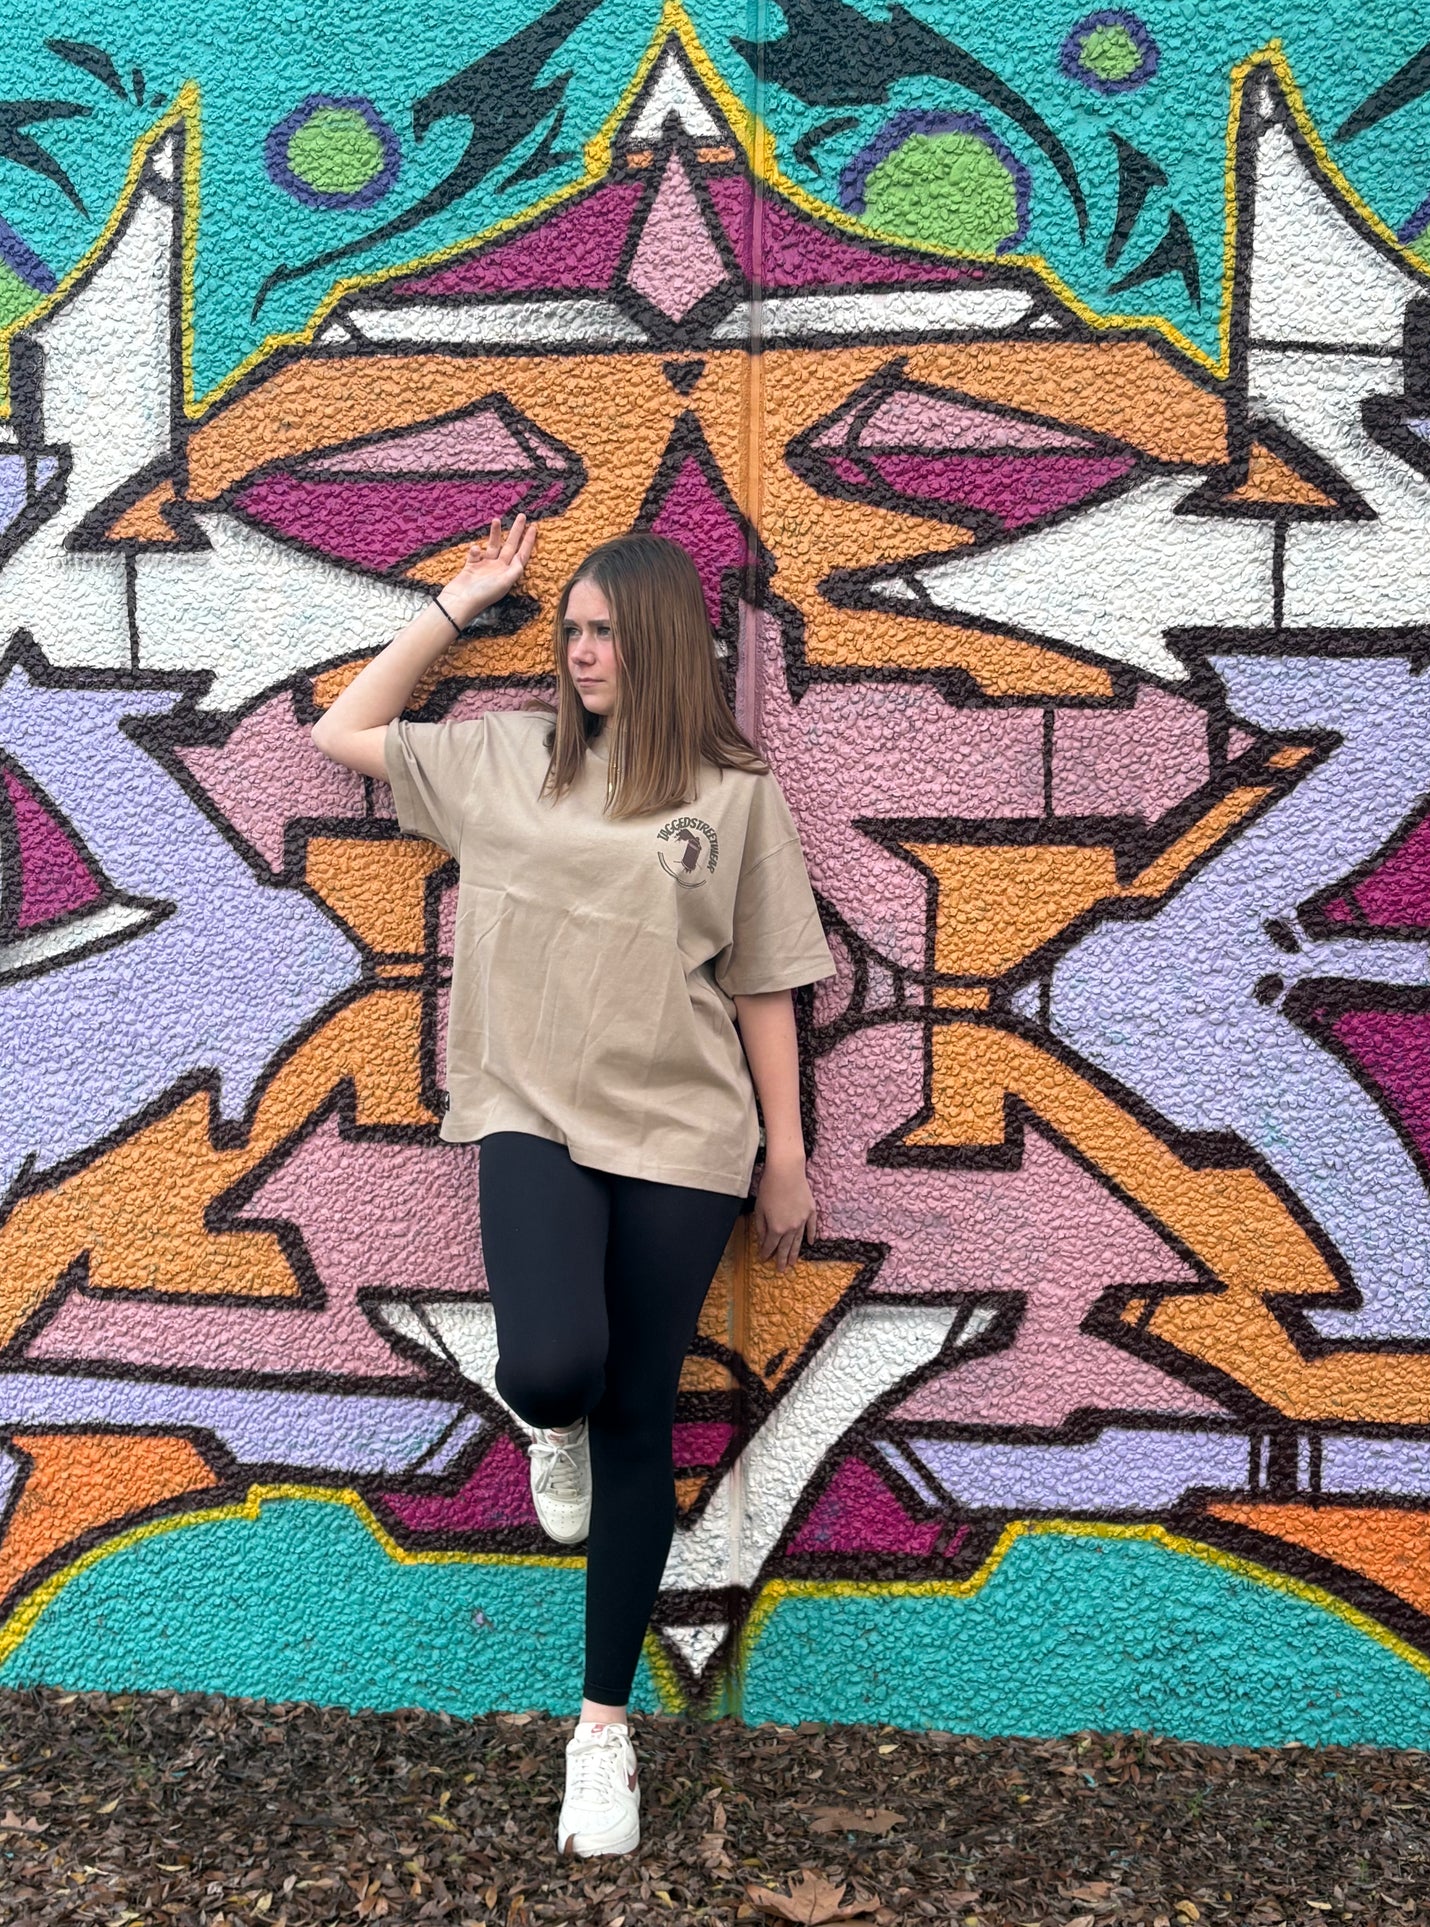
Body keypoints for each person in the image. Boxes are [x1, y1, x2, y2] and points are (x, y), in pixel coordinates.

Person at [311, 514, 835, 1858]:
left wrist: (785, 1156)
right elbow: (342, 729)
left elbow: (764, 982)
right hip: (529, 1116)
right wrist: (459, 600)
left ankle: (601, 1733)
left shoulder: (733, 795)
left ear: (657, 642)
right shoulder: (504, 758)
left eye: (603, 632)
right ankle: (551, 1422)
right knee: (556, 1371)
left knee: (642, 1419)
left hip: (682, 1139)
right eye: (570, 630)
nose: (580, 651)